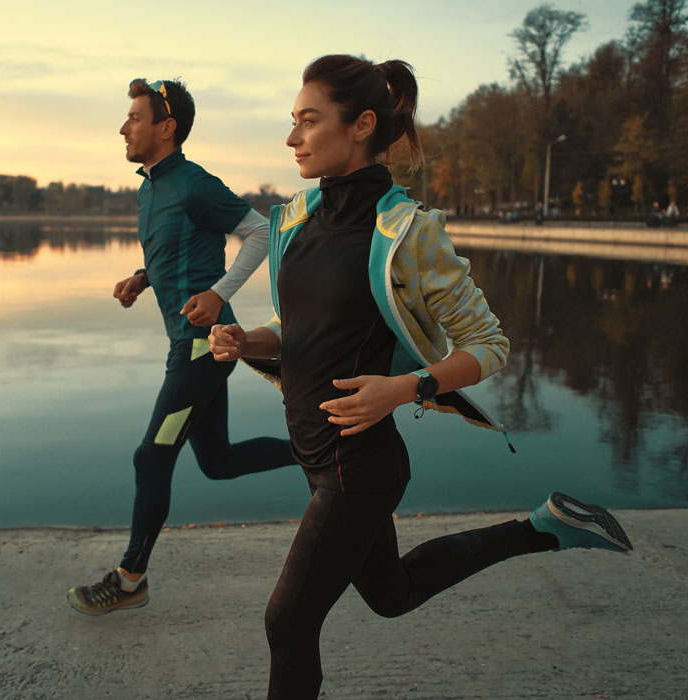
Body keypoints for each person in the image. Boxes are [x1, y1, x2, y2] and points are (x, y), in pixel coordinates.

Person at [207, 55, 633, 700]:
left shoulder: (407, 231)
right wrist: (248, 340)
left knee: (288, 621)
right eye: (292, 122)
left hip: (360, 467)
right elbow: (298, 328)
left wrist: (404, 387)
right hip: (315, 451)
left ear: (361, 125)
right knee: (392, 594)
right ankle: (546, 527)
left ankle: (543, 529)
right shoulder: (295, 219)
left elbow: (489, 346)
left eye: (307, 122)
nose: (291, 138)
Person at [66, 78, 296, 616]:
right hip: (189, 345)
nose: (124, 128)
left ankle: (129, 580)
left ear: (165, 128)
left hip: (202, 348)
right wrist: (144, 276)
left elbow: (261, 232)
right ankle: (317, 452)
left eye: (135, 119)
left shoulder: (193, 183)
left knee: (151, 457)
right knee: (216, 462)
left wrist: (218, 294)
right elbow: (180, 248)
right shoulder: (150, 187)